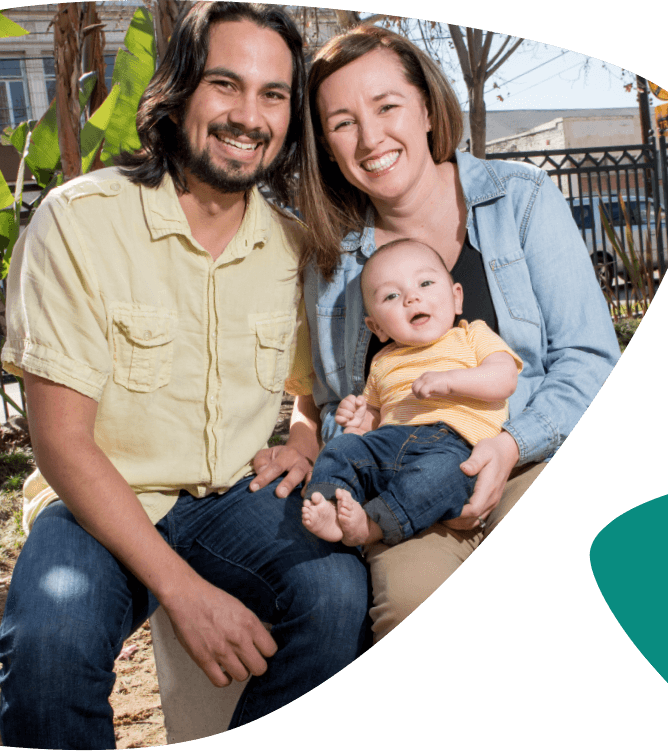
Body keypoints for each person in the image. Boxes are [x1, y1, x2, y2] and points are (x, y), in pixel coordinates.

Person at [0, 3, 369, 748]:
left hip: (234, 496)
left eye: (273, 95)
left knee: (335, 596)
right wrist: (182, 589)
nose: (249, 116)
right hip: (97, 496)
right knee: (49, 647)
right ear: (177, 93)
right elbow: (62, 441)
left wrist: (301, 444)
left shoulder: (293, 248)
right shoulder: (80, 222)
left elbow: (309, 392)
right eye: (225, 85)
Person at [296, 25, 622, 642]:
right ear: (327, 145)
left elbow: (589, 361)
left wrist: (509, 447)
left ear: (425, 107)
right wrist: (357, 429)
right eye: (342, 123)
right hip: (406, 484)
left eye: (387, 106)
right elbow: (339, 399)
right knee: (406, 605)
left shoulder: (520, 199)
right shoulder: (334, 264)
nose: (370, 139)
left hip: (527, 453)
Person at [301, 238, 523, 548]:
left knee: (436, 477)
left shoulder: (472, 335)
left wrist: (450, 381)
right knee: (342, 448)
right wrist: (358, 419)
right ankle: (330, 503)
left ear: (456, 297)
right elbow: (375, 418)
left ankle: (373, 526)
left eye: (426, 282)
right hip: (389, 443)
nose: (412, 298)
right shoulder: (382, 361)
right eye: (392, 295)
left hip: (454, 447)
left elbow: (504, 379)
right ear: (376, 326)